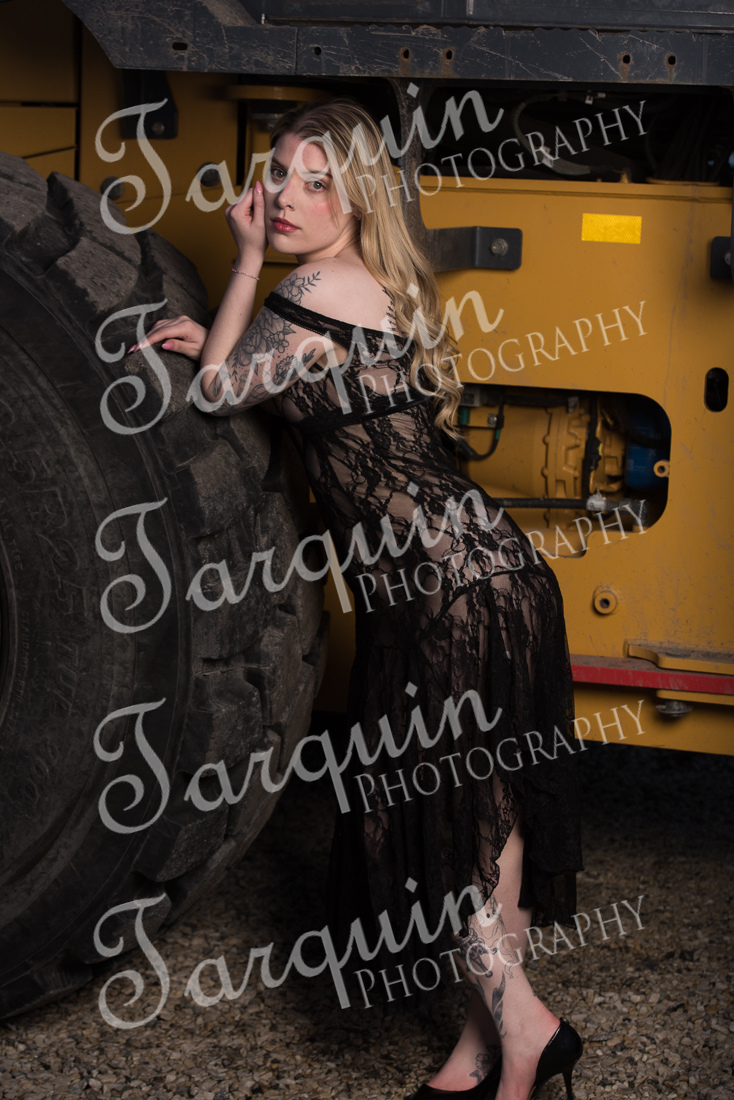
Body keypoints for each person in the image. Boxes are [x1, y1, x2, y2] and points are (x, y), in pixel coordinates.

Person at [130, 97, 584, 1100]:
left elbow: (216, 391)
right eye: (278, 173)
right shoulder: (375, 286)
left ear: (359, 196)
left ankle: (529, 1028)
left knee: (431, 823)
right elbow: (269, 373)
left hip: (441, 597)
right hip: (500, 575)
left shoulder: (308, 287)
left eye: (316, 181)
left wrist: (243, 263)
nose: (286, 196)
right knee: (486, 819)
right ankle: (486, 1058)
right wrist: (227, 334)